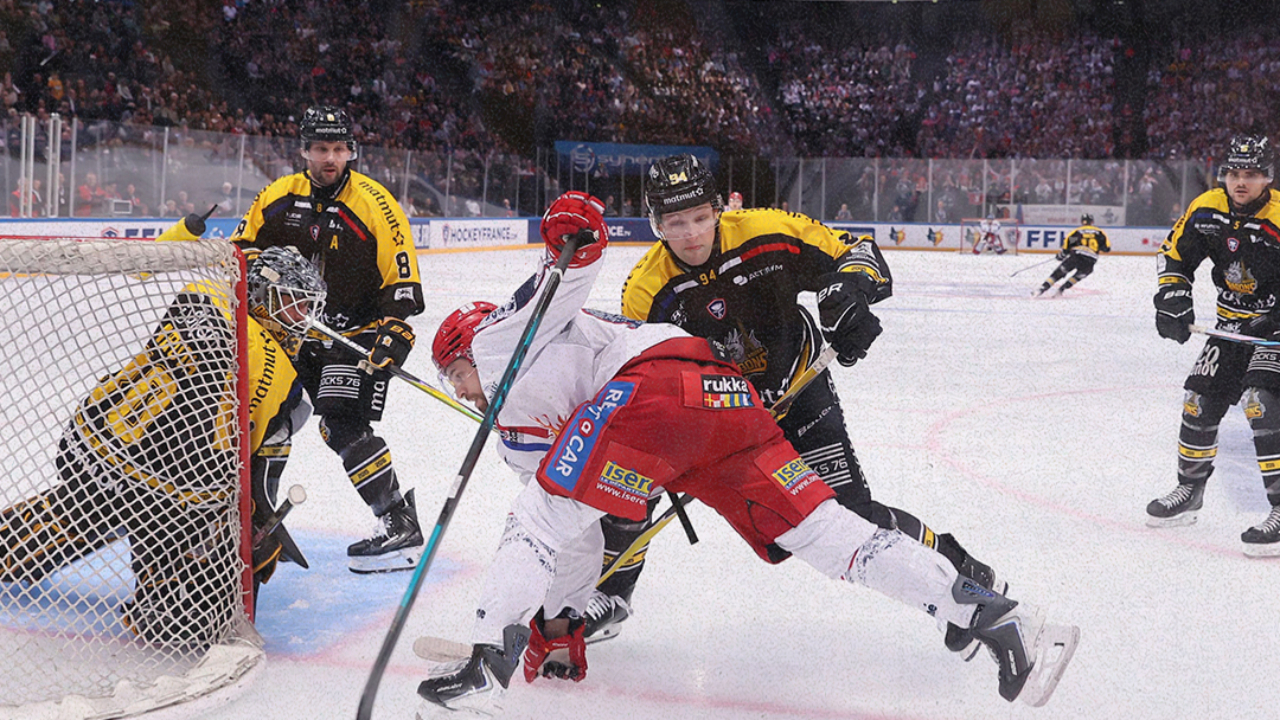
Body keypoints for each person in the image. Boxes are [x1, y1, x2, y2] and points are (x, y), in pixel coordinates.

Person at [415, 191, 1078, 714]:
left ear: (467, 350)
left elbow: (570, 268)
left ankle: (483, 664)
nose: (464, 392)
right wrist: (558, 630)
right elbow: (577, 540)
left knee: (536, 515)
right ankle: (998, 619)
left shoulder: (503, 340)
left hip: (655, 385)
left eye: (457, 375)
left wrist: (576, 224)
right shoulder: (520, 435)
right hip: (725, 400)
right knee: (827, 533)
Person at [613, 154, 1001, 656]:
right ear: (656, 224)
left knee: (849, 513)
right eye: (675, 222)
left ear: (717, 209)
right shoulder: (645, 291)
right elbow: (653, 379)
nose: (691, 234)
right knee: (789, 536)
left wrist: (850, 292)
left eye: (701, 218)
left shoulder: (767, 231)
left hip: (801, 392)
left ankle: (964, 577)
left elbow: (857, 252)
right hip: (734, 428)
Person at [0, 244, 324, 642]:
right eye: (293, 304)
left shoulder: (204, 292)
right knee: (200, 542)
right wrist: (254, 537)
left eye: (308, 307)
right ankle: (169, 603)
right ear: (260, 296)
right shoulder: (286, 383)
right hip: (167, 493)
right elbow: (251, 477)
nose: (303, 318)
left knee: (78, 516)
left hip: (95, 441)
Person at [231, 105, 427, 573]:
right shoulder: (277, 195)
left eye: (339, 149)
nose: (330, 158)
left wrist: (394, 329)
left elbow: (401, 277)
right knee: (272, 415)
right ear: (304, 150)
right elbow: (238, 255)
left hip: (351, 333)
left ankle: (398, 520)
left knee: (340, 423)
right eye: (321, 148)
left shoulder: (375, 203)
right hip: (288, 333)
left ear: (351, 151)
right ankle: (255, 516)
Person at [1147, 135, 1280, 556]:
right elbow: (1174, 254)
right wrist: (1172, 297)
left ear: (1268, 178)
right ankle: (1190, 490)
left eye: (1252, 175)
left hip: (1275, 328)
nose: (1241, 183)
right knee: (1198, 401)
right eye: (1234, 173)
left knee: (1260, 402)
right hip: (1231, 324)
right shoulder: (1207, 206)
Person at [1033, 214, 1112, 296]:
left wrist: (1062, 255)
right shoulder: (1100, 233)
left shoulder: (1077, 232)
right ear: (1092, 222)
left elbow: (1067, 246)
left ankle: (1042, 288)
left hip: (1076, 256)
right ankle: (1061, 290)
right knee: (1078, 276)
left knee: (1059, 273)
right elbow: (1107, 248)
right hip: (1090, 260)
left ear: (1082, 222)